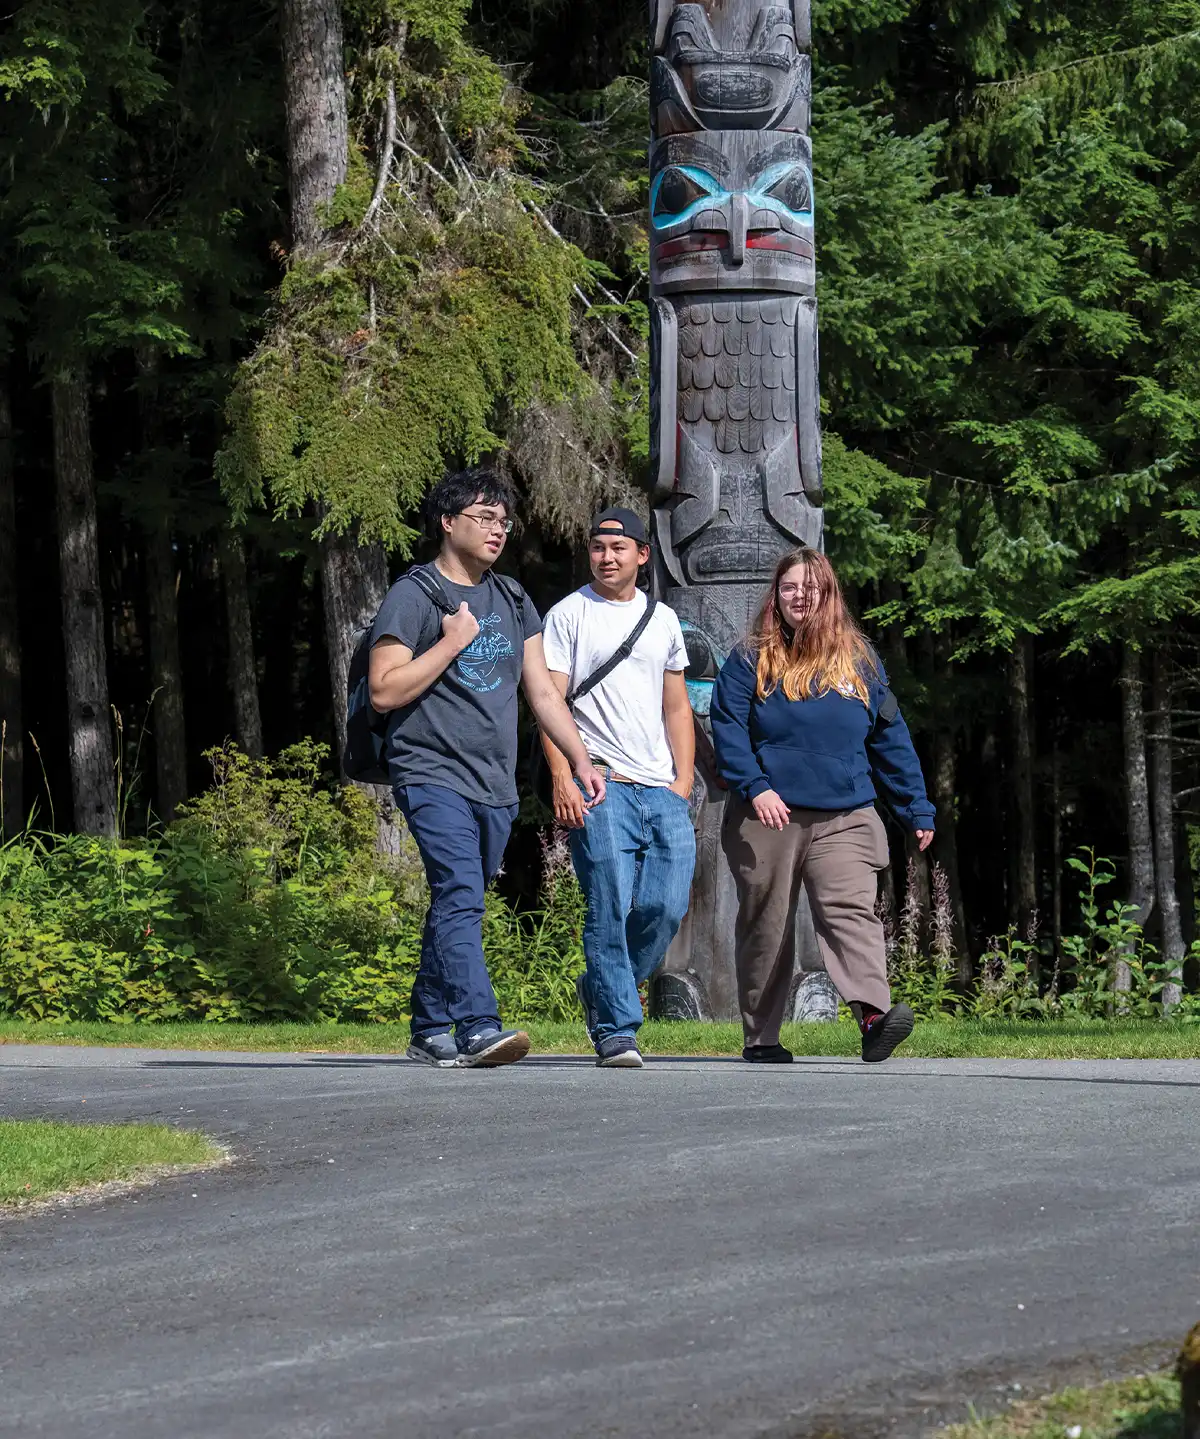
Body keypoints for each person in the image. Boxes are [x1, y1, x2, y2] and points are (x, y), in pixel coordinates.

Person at [368, 467, 607, 1069]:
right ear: (447, 524)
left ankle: (428, 1026)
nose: (498, 530)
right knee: (460, 893)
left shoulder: (511, 597)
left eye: (503, 520)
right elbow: (383, 689)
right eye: (483, 518)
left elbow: (544, 694)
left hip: (495, 784)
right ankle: (478, 1025)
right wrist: (449, 643)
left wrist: (579, 759)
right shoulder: (414, 594)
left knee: (458, 898)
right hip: (429, 772)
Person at [709, 548, 935, 1065]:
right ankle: (761, 1037)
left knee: (850, 912)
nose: (799, 597)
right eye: (789, 587)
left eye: (811, 588)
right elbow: (727, 727)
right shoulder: (751, 657)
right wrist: (755, 786)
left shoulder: (859, 660)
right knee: (767, 923)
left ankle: (874, 1018)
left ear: (828, 595)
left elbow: (889, 737)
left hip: (847, 813)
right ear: (776, 596)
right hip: (769, 814)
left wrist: (916, 806)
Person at [540, 508, 696, 1068]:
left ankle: (604, 988)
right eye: (599, 548)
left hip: (661, 788)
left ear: (642, 556)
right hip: (598, 781)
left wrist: (682, 780)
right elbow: (549, 702)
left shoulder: (664, 620)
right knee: (608, 904)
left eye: (619, 548)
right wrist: (562, 773)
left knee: (666, 904)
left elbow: (676, 705)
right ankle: (616, 1030)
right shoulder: (568, 614)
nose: (607, 557)